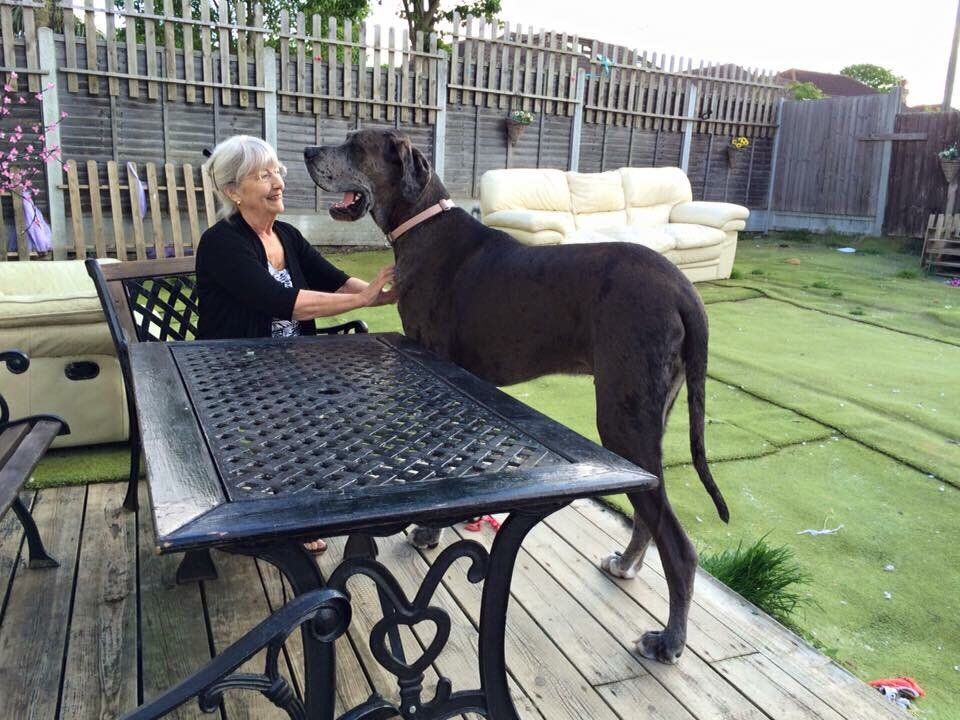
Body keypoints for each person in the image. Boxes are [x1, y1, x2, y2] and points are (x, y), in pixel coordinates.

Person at [198, 135, 396, 552]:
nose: (278, 182)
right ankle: (294, 511)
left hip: (291, 365)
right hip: (235, 370)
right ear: (233, 192)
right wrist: (362, 300)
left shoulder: (286, 235)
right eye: (262, 175)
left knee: (362, 397)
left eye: (277, 172)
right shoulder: (222, 243)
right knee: (312, 407)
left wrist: (389, 293)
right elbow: (280, 302)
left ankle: (337, 501)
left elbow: (336, 280)